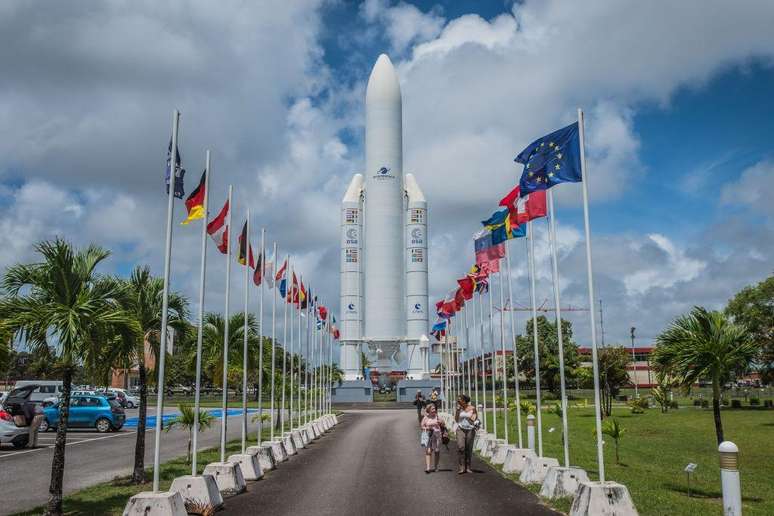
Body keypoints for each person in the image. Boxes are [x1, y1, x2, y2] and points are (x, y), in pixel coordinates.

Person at [455, 394, 478, 474]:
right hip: (460, 429)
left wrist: (473, 420)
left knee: (468, 448)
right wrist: (458, 410)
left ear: (464, 401)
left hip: (470, 430)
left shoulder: (472, 408)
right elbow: (456, 420)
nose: (458, 401)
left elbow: (475, 418)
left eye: (459, 400)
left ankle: (468, 467)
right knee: (461, 447)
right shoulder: (459, 408)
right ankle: (461, 467)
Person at [420, 403, 442, 473]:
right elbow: (422, 426)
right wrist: (427, 428)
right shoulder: (426, 417)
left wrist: (441, 422)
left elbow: (443, 423)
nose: (434, 410)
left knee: (436, 451)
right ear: (428, 410)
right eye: (432, 409)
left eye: (434, 409)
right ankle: (428, 468)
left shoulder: (437, 416)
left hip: (437, 435)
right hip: (429, 436)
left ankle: (436, 467)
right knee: (428, 451)